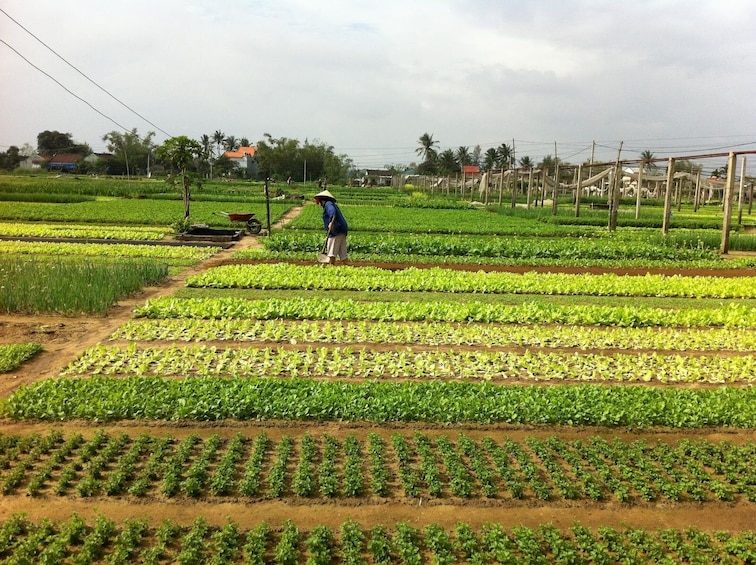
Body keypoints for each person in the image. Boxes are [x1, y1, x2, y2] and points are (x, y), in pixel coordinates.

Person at [314, 189, 348, 264]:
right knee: (343, 253)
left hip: (336, 230)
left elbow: (332, 212)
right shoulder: (331, 204)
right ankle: (348, 267)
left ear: (321, 200)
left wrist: (331, 223)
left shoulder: (328, 204)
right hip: (342, 229)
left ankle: (331, 267)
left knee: (331, 252)